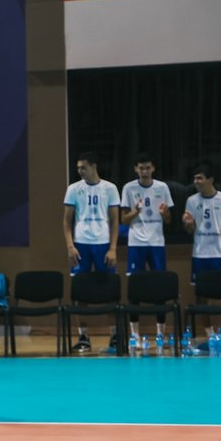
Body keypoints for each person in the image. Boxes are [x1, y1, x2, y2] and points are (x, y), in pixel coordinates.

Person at [63, 151, 121, 353]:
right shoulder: (73, 189)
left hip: (103, 244)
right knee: (81, 292)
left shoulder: (110, 188)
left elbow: (115, 221)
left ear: (94, 166)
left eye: (83, 167)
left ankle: (115, 335)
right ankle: (83, 337)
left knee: (110, 291)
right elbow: (66, 221)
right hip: (81, 244)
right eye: (78, 168)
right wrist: (70, 246)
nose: (80, 171)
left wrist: (113, 248)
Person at [120, 153, 174, 344]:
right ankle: (134, 334)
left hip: (156, 243)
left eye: (147, 168)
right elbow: (123, 219)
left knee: (160, 288)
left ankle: (161, 333)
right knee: (135, 288)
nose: (144, 171)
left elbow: (168, 220)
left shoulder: (162, 187)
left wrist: (165, 214)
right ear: (136, 169)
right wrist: (136, 212)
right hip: (136, 243)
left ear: (153, 169)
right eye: (141, 168)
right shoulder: (129, 188)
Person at [181, 163, 221, 338]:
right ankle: (209, 334)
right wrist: (188, 224)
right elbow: (189, 229)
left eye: (200, 178)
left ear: (210, 179)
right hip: (200, 254)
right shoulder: (192, 201)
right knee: (201, 297)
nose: (196, 181)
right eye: (194, 178)